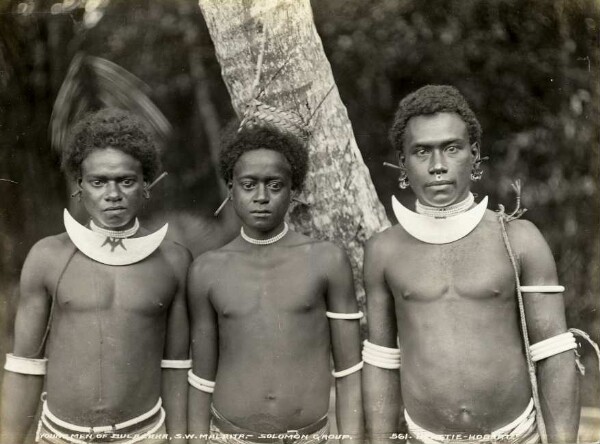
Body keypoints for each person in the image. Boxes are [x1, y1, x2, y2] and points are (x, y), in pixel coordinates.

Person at [363, 85, 580, 444]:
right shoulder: (384, 251)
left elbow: (555, 352)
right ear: (403, 161)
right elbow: (382, 361)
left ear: (474, 153)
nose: (437, 166)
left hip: (518, 436)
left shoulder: (519, 239)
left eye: (451, 148)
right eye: (421, 152)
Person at [1, 108, 191, 444]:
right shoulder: (48, 257)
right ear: (79, 186)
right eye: (98, 181)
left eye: (126, 181)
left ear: (146, 183)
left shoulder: (173, 261)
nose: (113, 194)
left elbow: (176, 366)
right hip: (60, 436)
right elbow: (24, 366)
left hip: (146, 435)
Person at [187, 125, 363, 444]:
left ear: (292, 191)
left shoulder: (326, 260)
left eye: (275, 185)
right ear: (231, 189)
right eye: (249, 185)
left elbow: (349, 372)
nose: (262, 197)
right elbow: (201, 379)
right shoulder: (207, 270)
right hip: (228, 437)